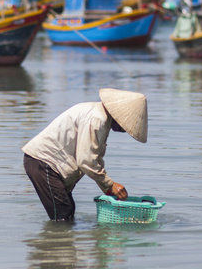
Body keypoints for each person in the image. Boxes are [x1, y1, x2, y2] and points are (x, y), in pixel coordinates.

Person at [22, 88, 148, 221]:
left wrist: (107, 188)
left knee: (66, 212)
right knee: (63, 212)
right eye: (125, 126)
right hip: (43, 162)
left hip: (50, 165)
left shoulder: (102, 119)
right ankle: (56, 240)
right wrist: (111, 184)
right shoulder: (97, 119)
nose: (124, 130)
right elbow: (86, 161)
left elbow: (95, 160)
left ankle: (62, 240)